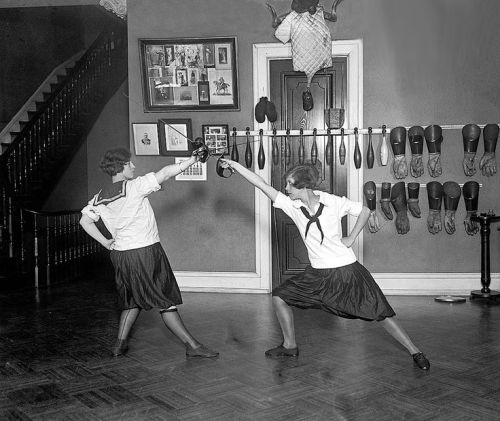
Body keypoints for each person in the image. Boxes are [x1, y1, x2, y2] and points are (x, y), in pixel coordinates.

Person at [219, 159, 430, 370]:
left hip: (347, 271)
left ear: (303, 186)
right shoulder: (292, 206)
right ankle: (290, 345)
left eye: (289, 184)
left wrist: (351, 237)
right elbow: (261, 184)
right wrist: (234, 165)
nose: (285, 189)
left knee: (380, 313)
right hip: (318, 275)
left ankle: (416, 351)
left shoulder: (333, 202)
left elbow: (365, 211)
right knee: (279, 296)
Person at [80, 147, 218, 359]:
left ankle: (119, 346)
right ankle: (193, 346)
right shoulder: (135, 186)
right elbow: (164, 173)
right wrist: (191, 161)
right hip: (145, 251)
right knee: (165, 301)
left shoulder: (99, 197)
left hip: (121, 255)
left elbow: (85, 221)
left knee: (132, 300)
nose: (133, 166)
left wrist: (106, 242)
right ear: (120, 166)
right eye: (129, 163)